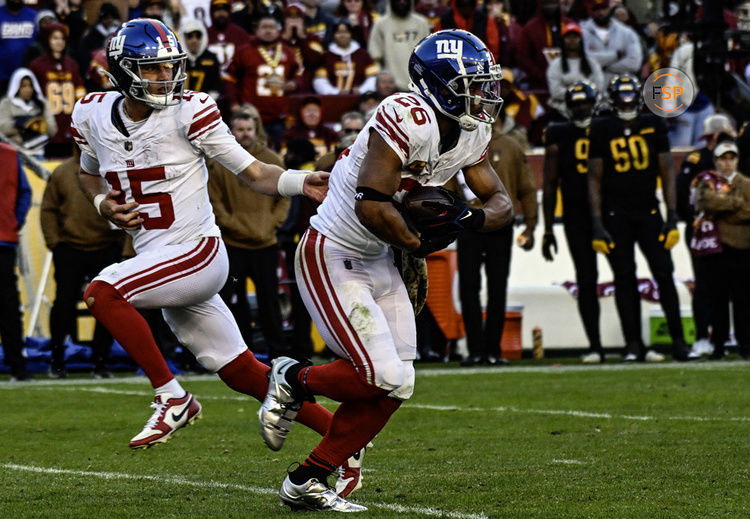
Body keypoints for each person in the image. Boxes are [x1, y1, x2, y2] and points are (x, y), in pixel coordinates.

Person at [257, 30, 513, 511]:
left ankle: (307, 479)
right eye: (472, 85)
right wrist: (420, 242)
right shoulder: (404, 115)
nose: (484, 96)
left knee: (400, 381)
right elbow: (371, 202)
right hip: (333, 250)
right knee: (377, 374)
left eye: (486, 84)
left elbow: (501, 203)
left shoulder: (474, 130)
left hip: (380, 257)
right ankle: (294, 378)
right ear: (437, 84)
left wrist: (467, 218)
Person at [71, 19, 334, 454]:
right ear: (122, 71)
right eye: (152, 69)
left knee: (102, 292)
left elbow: (254, 172)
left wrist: (300, 181)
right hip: (160, 260)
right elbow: (87, 174)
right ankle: (342, 439)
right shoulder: (91, 113)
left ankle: (172, 397)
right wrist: (103, 205)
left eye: (170, 67)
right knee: (243, 373)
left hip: (196, 253)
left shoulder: (189, 110)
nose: (166, 77)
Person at [587, 74, 696, 363]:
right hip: (615, 214)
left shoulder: (653, 123)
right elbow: (594, 178)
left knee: (664, 273)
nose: (626, 102)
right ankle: (632, 344)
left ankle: (679, 342)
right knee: (624, 278)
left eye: (630, 97)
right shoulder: (601, 127)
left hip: (649, 211)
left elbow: (666, 172)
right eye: (621, 97)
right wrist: (597, 222)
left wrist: (671, 216)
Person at [456, 100, 538, 367]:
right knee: (478, 288)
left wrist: (531, 225)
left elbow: (527, 189)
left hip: (491, 224)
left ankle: (487, 349)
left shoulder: (510, 146)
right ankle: (482, 350)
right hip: (474, 223)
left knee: (489, 289)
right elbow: (447, 185)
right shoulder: (461, 143)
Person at [207, 109, 291, 358]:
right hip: (233, 245)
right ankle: (239, 354)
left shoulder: (272, 158)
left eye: (249, 129)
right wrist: (232, 223)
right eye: (240, 129)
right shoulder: (220, 160)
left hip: (266, 243)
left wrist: (272, 222)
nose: (245, 134)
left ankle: (278, 354)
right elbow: (215, 201)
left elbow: (284, 195)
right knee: (233, 301)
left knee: (270, 302)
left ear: (256, 130)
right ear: (231, 132)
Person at [41, 147, 124, 379]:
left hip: (106, 247)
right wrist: (55, 243)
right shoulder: (62, 173)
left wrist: (120, 241)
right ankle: (57, 360)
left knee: (107, 306)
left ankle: (101, 363)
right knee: (63, 305)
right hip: (70, 248)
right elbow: (48, 209)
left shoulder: (111, 168)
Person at [542, 81, 605, 363]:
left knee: (625, 274)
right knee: (587, 279)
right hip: (576, 216)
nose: (581, 108)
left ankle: (634, 345)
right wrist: (547, 229)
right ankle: (596, 345)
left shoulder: (606, 128)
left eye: (585, 103)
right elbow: (550, 183)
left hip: (611, 213)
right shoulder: (559, 134)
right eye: (576, 103)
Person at [676, 114, 736, 358]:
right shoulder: (698, 159)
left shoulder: (735, 160)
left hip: (732, 228)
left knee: (733, 284)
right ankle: (702, 336)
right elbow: (683, 196)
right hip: (703, 229)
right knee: (704, 284)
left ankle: (726, 334)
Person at [693, 140, 750, 360]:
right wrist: (735, 204)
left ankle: (745, 345)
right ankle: (718, 345)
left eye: (731, 158)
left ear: (737, 160)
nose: (727, 164)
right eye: (723, 159)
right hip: (717, 250)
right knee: (717, 300)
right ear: (715, 161)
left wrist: (723, 207)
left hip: (742, 248)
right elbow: (705, 202)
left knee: (743, 300)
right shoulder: (706, 181)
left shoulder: (745, 183)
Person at [224, 13, 304, 149]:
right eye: (264, 27)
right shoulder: (244, 51)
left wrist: (295, 83)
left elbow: (300, 73)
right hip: (252, 117)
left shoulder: (288, 52)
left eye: (272, 27)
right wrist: (234, 103)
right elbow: (229, 77)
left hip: (279, 117)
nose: (268, 30)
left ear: (279, 30)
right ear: (256, 30)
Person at [29, 21, 86, 158]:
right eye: (55, 38)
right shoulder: (37, 65)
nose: (59, 42)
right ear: (47, 39)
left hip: (68, 121)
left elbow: (80, 92)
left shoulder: (72, 65)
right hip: (48, 123)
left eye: (62, 38)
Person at [0, 142, 32, 381]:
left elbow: (24, 192)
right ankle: (17, 367)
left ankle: (17, 365)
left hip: (3, 240)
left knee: (8, 306)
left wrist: (13, 222)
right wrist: (14, 221)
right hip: (4, 239)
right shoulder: (10, 155)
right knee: (9, 306)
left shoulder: (10, 155)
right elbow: (25, 193)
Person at [545, 21, 604, 120]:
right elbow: (555, 91)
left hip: (589, 107)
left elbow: (598, 86)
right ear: (563, 40)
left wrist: (582, 98)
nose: (572, 40)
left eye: (575, 37)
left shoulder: (592, 63)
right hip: (563, 109)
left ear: (580, 40)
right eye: (568, 37)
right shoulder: (555, 64)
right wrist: (578, 95)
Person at [368, 0, 431, 91]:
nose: (401, 2)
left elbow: (427, 54)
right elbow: (375, 55)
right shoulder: (380, 24)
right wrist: (384, 81)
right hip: (391, 87)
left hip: (418, 85)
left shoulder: (422, 23)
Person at [580, 0, 642, 85]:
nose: (601, 13)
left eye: (603, 8)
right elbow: (583, 60)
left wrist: (604, 66)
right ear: (591, 10)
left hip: (620, 87)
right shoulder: (582, 32)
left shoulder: (626, 32)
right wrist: (616, 55)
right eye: (597, 9)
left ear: (609, 9)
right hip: (592, 87)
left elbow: (634, 63)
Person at [0, 67, 57, 159]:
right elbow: (2, 129)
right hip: (15, 154)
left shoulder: (42, 103)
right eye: (23, 86)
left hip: (38, 154)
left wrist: (39, 124)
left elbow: (52, 130)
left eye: (30, 86)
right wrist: (23, 123)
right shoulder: (7, 103)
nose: (28, 89)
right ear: (16, 86)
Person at [312, 19, 379, 96]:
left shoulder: (363, 54)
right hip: (333, 100)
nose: (342, 35)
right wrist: (335, 92)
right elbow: (319, 81)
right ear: (333, 35)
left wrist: (362, 90)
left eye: (346, 32)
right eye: (338, 32)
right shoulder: (326, 56)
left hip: (360, 99)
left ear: (351, 34)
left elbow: (373, 78)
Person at [179, 18, 222, 100]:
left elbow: (216, 88)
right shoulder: (177, 59)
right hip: (179, 106)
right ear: (183, 38)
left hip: (204, 106)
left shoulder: (212, 58)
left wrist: (204, 104)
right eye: (189, 36)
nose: (194, 40)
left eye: (198, 36)